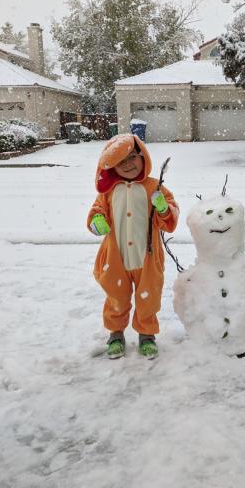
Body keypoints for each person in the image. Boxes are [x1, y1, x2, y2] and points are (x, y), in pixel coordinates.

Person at [87, 133, 179, 360]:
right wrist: (96, 221)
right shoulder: (108, 192)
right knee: (116, 296)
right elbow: (96, 213)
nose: (128, 165)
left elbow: (169, 219)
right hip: (115, 258)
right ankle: (115, 334)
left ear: (143, 156)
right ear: (111, 166)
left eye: (132, 158)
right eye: (120, 162)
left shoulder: (153, 187)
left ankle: (147, 335)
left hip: (146, 256)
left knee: (149, 297)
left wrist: (163, 208)